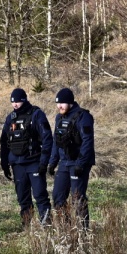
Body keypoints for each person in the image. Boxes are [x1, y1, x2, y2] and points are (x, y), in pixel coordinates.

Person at [0, 88, 53, 228]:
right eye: (12, 102)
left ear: (24, 100)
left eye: (17, 101)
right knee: (23, 198)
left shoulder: (36, 114)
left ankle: (47, 225)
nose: (15, 104)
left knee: (40, 195)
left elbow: (47, 139)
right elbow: (4, 142)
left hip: (34, 162)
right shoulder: (10, 118)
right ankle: (27, 226)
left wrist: (44, 162)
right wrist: (4, 163)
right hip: (17, 165)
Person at [48, 87, 95, 228]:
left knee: (77, 198)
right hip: (64, 162)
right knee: (58, 196)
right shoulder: (59, 118)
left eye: (62, 103)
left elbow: (88, 141)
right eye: (57, 103)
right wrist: (52, 162)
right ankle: (66, 230)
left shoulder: (83, 116)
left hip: (78, 163)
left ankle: (83, 232)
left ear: (70, 102)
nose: (59, 106)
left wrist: (81, 163)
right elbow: (56, 142)